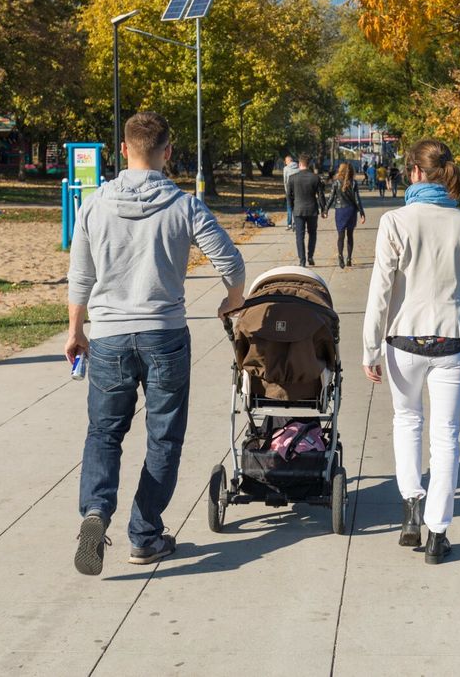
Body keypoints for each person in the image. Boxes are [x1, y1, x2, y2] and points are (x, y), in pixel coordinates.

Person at [66, 111, 245, 575]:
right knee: (163, 437)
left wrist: (75, 331)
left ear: (123, 150)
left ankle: (95, 511)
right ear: (167, 152)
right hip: (164, 334)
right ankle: (145, 535)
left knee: (104, 433)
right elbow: (230, 259)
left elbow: (81, 276)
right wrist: (233, 299)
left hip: (107, 337)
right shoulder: (184, 206)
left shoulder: (94, 204)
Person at [362, 139, 460, 565]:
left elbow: (381, 290)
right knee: (446, 436)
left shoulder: (395, 222)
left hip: (404, 341)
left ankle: (410, 512)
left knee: (407, 421)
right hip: (452, 339)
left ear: (415, 173)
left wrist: (370, 347)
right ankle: (438, 532)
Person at [287, 154, 327, 266]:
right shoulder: (315, 177)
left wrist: (291, 208)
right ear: (308, 165)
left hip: (298, 210)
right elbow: (320, 195)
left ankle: (302, 260)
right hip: (312, 210)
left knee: (299, 236)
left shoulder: (292, 178)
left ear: (299, 164)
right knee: (312, 233)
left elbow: (288, 196)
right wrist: (324, 209)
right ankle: (310, 256)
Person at [325, 161, 366, 268]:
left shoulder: (336, 182)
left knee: (340, 236)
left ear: (340, 170)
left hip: (340, 211)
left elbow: (331, 197)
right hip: (351, 211)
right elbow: (357, 199)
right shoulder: (353, 183)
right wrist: (362, 213)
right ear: (352, 171)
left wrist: (325, 210)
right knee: (350, 236)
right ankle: (349, 258)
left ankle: (340, 256)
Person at [281, 155, 299, 231]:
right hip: (297, 191)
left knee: (289, 208)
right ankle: (295, 223)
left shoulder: (286, 168)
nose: (285, 162)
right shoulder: (298, 168)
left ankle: (289, 224)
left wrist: (286, 191)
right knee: (296, 208)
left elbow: (285, 181)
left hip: (289, 190)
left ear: (288, 161)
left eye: (286, 161)